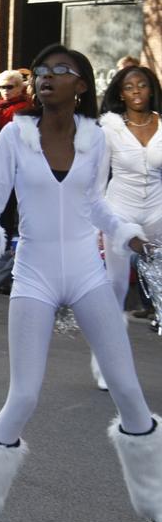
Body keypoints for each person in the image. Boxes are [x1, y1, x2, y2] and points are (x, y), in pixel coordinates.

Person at [0, 44, 159, 522]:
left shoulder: (96, 136)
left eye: (60, 71)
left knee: (129, 391)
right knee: (23, 396)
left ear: (81, 85)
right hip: (34, 274)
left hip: (88, 272)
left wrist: (127, 233)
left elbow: (97, 205)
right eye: (41, 71)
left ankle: (156, 502)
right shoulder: (14, 135)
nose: (46, 77)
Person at [88, 65, 162, 390]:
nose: (136, 91)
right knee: (114, 289)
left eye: (142, 85)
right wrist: (96, 226)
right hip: (120, 214)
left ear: (150, 90)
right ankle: (104, 362)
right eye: (129, 86)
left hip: (159, 214)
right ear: (120, 93)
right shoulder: (109, 129)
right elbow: (97, 182)